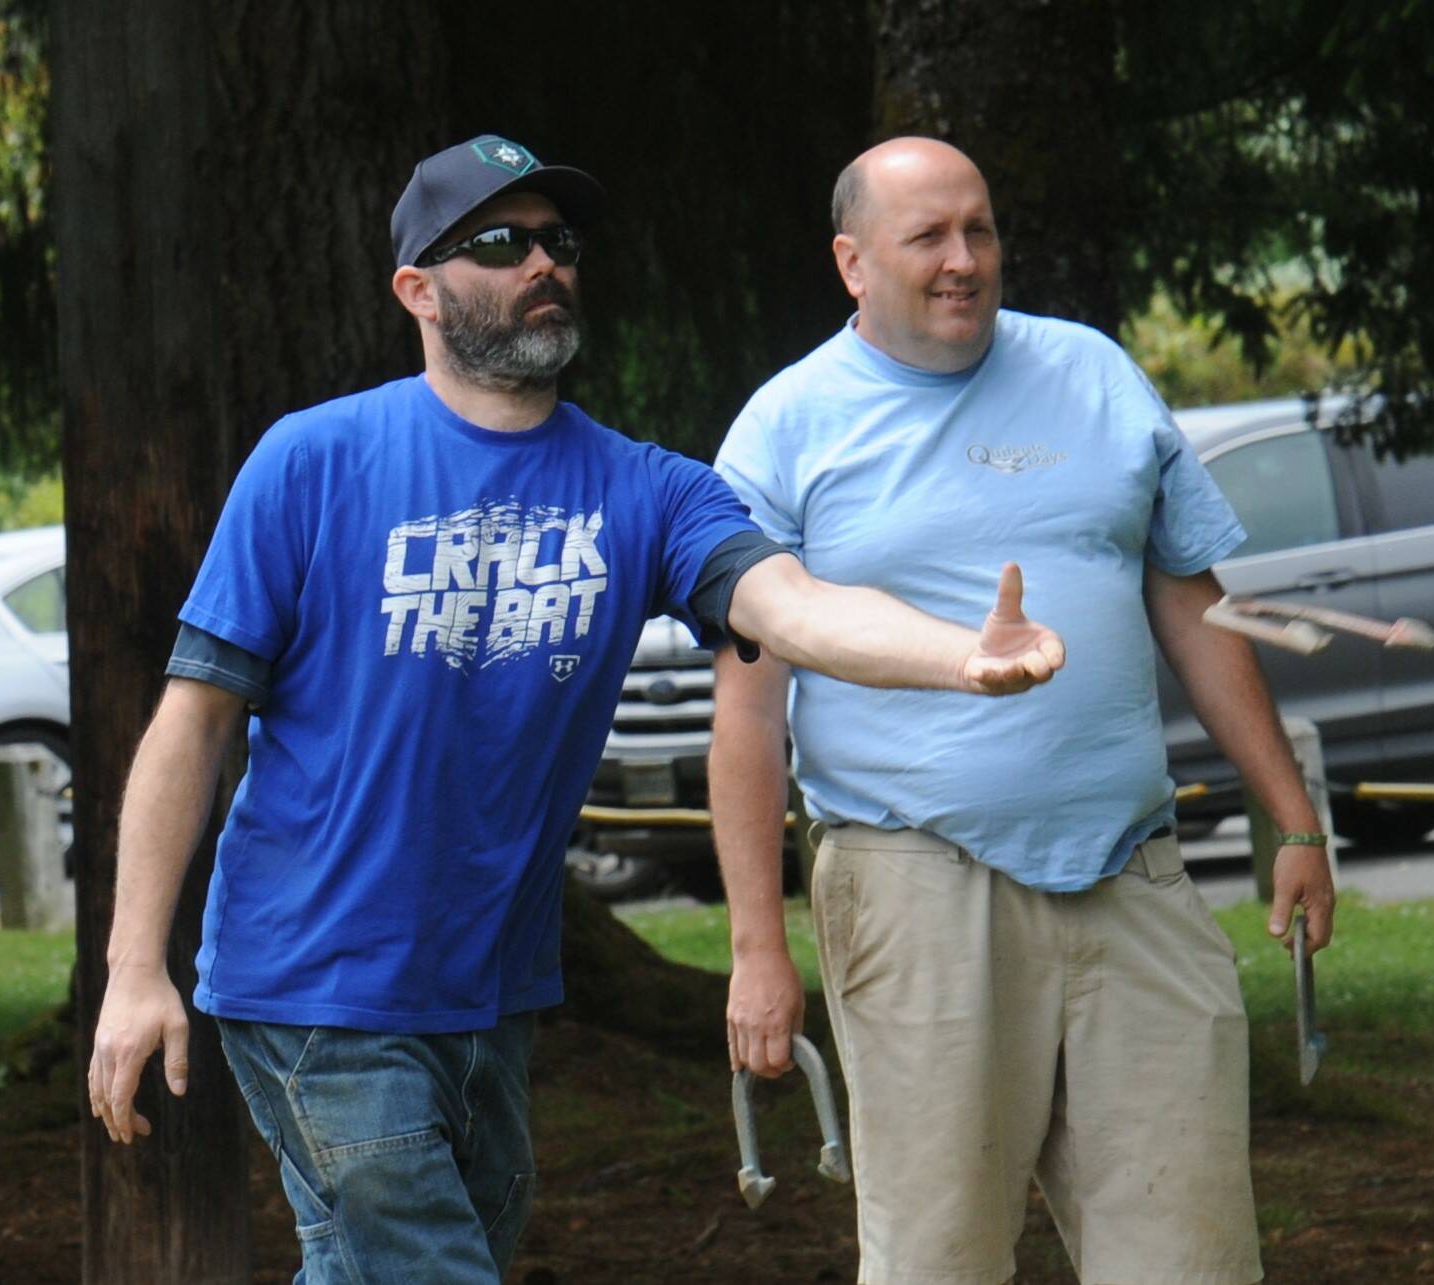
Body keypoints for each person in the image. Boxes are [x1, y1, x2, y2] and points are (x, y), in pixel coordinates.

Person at [82, 133, 1066, 1284]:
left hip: (491, 984)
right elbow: (190, 725)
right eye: (499, 243)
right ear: (418, 289)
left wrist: (960, 657)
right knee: (429, 1265)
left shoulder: (642, 487)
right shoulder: (312, 462)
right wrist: (133, 967)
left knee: (374, 1264)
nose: (541, 263)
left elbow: (788, 606)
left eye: (558, 241)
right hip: (313, 976)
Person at [710, 136, 1337, 1285]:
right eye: (928, 238)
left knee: (1189, 1255)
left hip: (1130, 875)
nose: (964, 261)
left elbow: (1193, 608)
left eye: (979, 229)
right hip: (914, 885)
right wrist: (757, 948)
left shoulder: (1093, 373)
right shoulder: (784, 428)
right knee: (938, 1260)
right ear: (851, 263)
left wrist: (1292, 818)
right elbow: (748, 714)